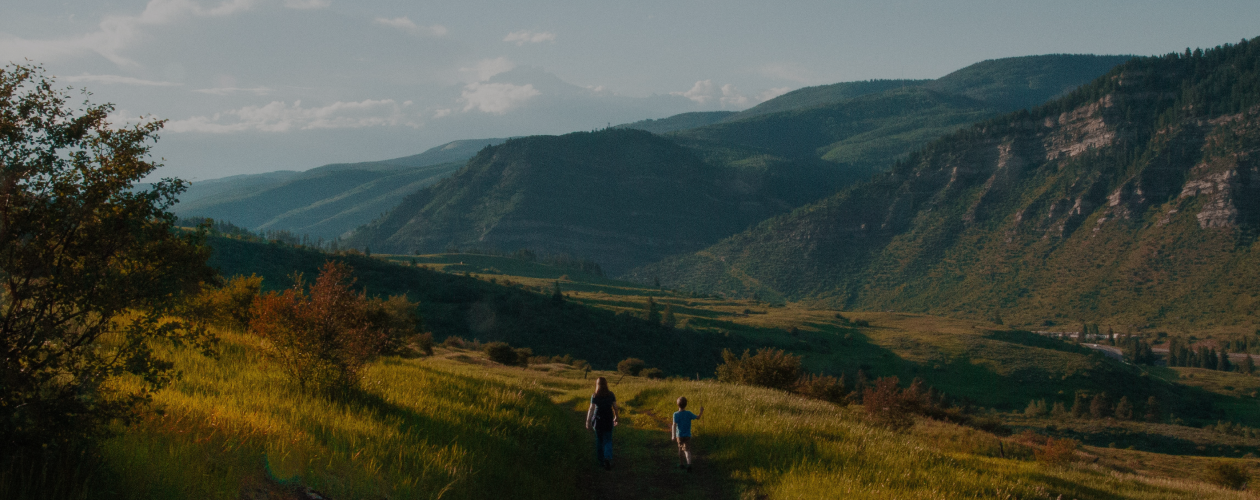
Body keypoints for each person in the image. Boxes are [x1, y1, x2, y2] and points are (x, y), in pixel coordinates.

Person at [585, 377, 619, 470]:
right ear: (606, 384)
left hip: (598, 420)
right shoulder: (611, 394)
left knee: (599, 440)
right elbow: (615, 407)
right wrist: (616, 417)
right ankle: (607, 457)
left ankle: (601, 461)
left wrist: (588, 421)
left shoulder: (595, 395)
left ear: (597, 384)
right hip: (608, 419)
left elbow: (591, 409)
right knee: (608, 439)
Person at [671, 396, 704, 471]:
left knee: (680, 449)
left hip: (679, 435)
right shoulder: (688, 413)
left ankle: (681, 464)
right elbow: (698, 417)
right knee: (687, 450)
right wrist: (701, 412)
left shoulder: (675, 414)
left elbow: (674, 425)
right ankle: (689, 464)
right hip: (687, 435)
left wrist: (673, 435)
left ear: (677, 404)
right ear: (686, 404)